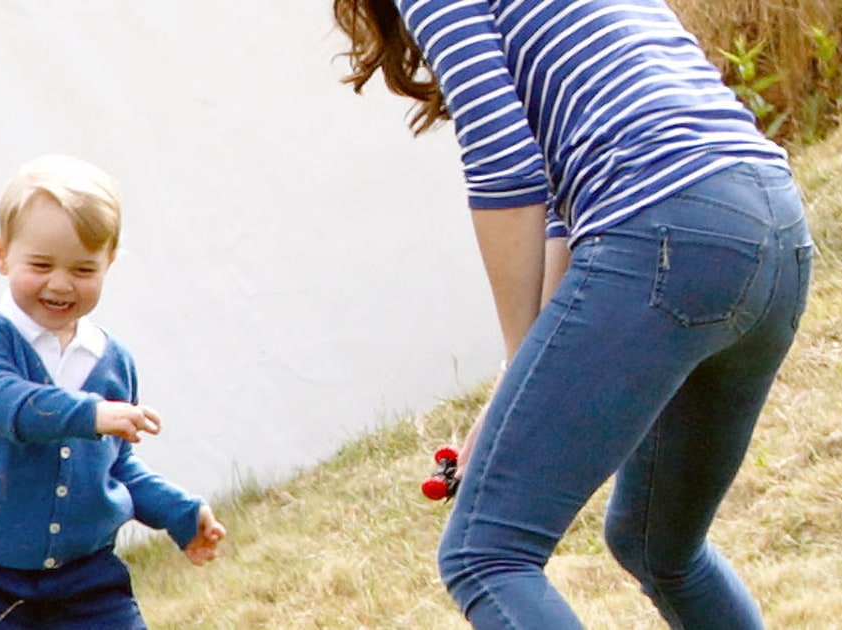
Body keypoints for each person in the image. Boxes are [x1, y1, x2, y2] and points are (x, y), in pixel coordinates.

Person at [333, 1, 813, 628]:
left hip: (664, 226)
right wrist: (519, 369)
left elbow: (505, 162)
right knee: (657, 544)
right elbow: (568, 192)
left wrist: (517, 351)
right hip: (772, 223)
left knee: (485, 552)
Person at [0, 154, 226, 629]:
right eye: (41, 264)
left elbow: (116, 466)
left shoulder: (112, 359)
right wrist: (92, 414)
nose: (60, 284)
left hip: (88, 582)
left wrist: (181, 514)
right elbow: (7, 406)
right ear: (2, 254)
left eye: (84, 270)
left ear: (110, 260)